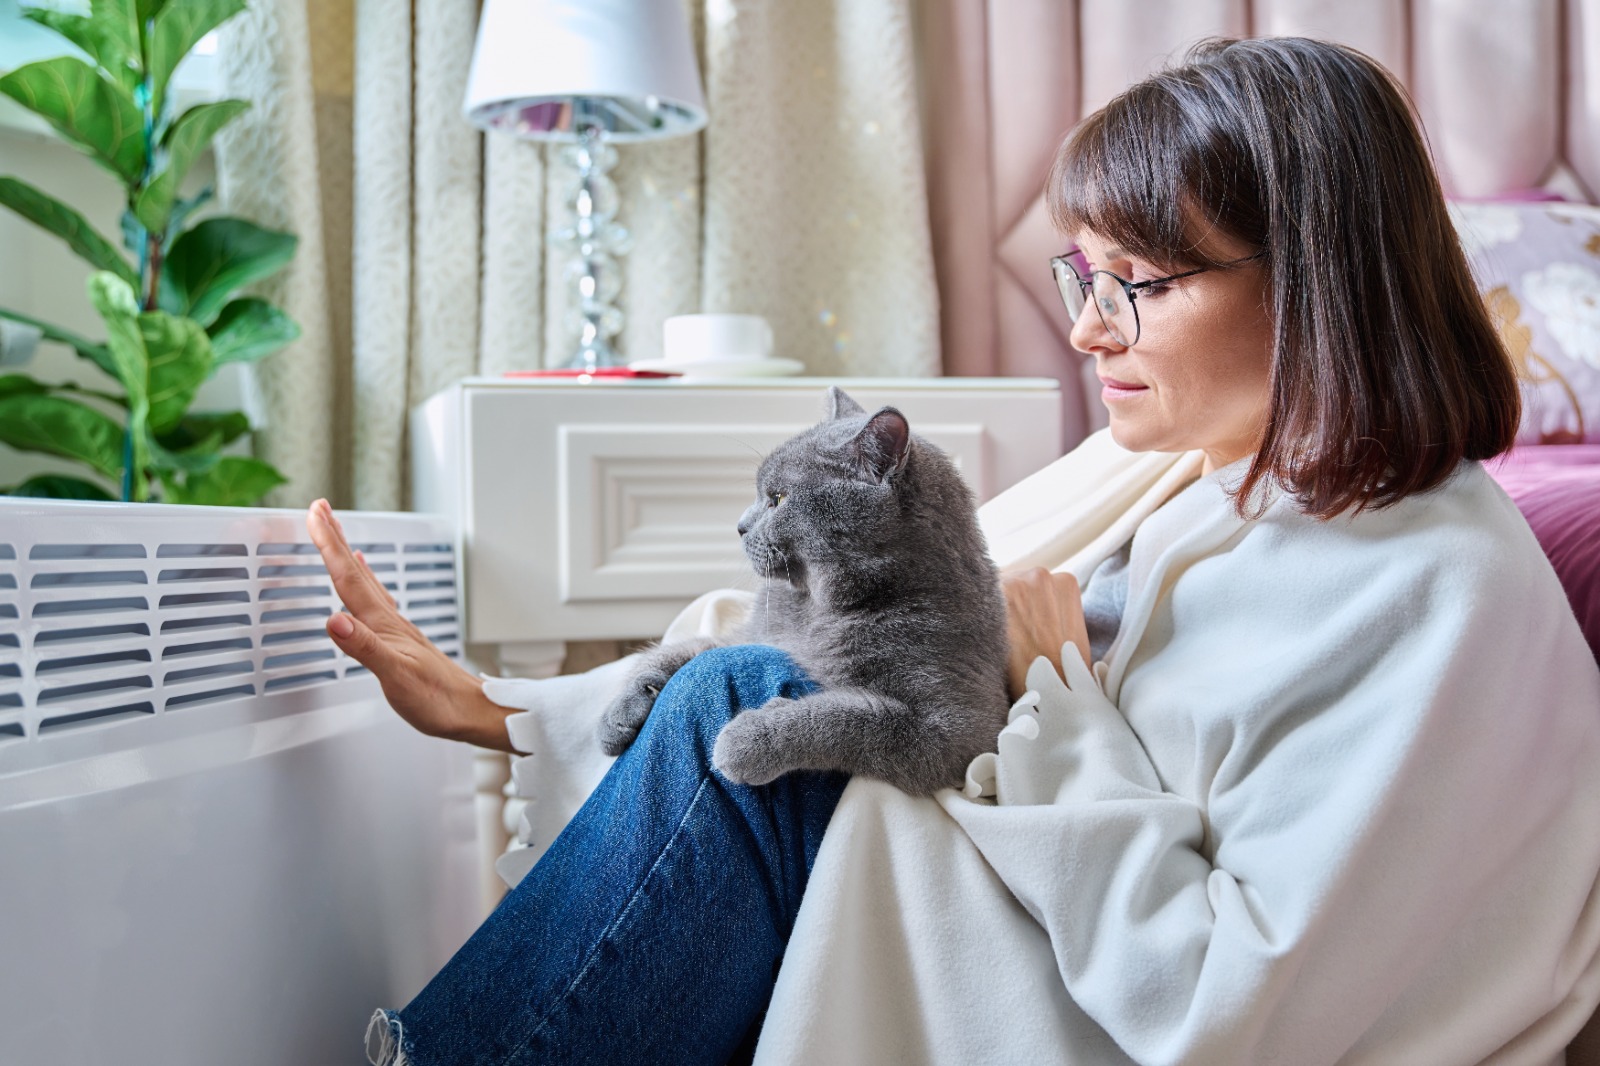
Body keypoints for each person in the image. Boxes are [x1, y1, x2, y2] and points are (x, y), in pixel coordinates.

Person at [310, 36, 1600, 1066]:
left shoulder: (1438, 589)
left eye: (1135, 284)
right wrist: (505, 710)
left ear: (1314, 282)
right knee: (744, 700)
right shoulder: (1219, 494)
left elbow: (1228, 1010)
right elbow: (894, 656)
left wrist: (1068, 708)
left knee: (746, 712)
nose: (1088, 331)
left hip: (1113, 1009)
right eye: (1079, 275)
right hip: (1048, 930)